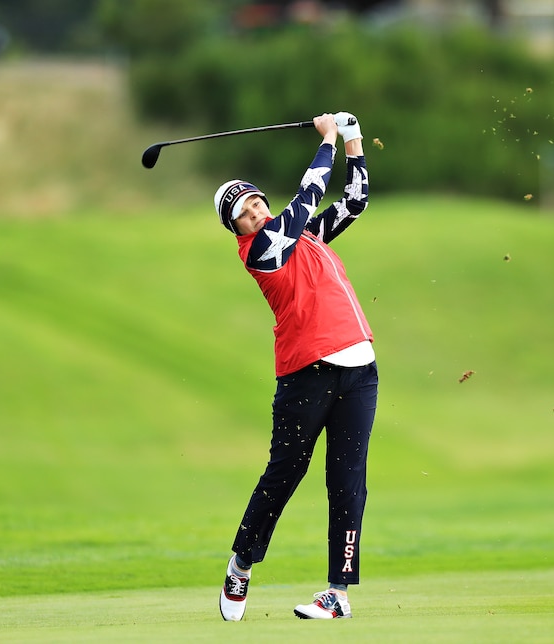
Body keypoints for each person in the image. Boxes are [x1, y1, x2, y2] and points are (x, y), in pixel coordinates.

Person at [214, 112, 378, 621]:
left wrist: (352, 141)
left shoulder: (308, 237)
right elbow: (305, 200)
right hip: (305, 373)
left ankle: (338, 593)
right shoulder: (262, 249)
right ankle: (242, 564)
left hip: (359, 369)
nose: (257, 212)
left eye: (258, 202)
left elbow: (354, 201)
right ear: (236, 229)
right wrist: (326, 141)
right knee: (285, 473)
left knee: (347, 479)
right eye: (245, 212)